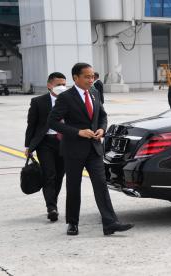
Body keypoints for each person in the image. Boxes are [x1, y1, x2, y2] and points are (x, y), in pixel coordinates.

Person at [48, 63, 134, 236]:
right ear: (75, 78)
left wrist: (102, 129)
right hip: (73, 150)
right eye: (87, 77)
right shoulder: (66, 97)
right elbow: (52, 122)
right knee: (74, 187)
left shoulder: (94, 93)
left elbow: (102, 115)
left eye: (92, 76)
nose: (91, 80)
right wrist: (78, 132)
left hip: (94, 149)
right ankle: (72, 223)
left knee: (101, 185)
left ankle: (110, 223)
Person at [24, 72, 67, 222]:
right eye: (58, 84)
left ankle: (52, 201)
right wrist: (28, 146)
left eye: (64, 84)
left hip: (64, 142)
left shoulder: (70, 100)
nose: (62, 87)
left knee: (60, 175)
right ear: (49, 85)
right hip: (45, 143)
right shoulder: (38, 102)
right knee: (49, 175)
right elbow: (32, 125)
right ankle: (51, 208)